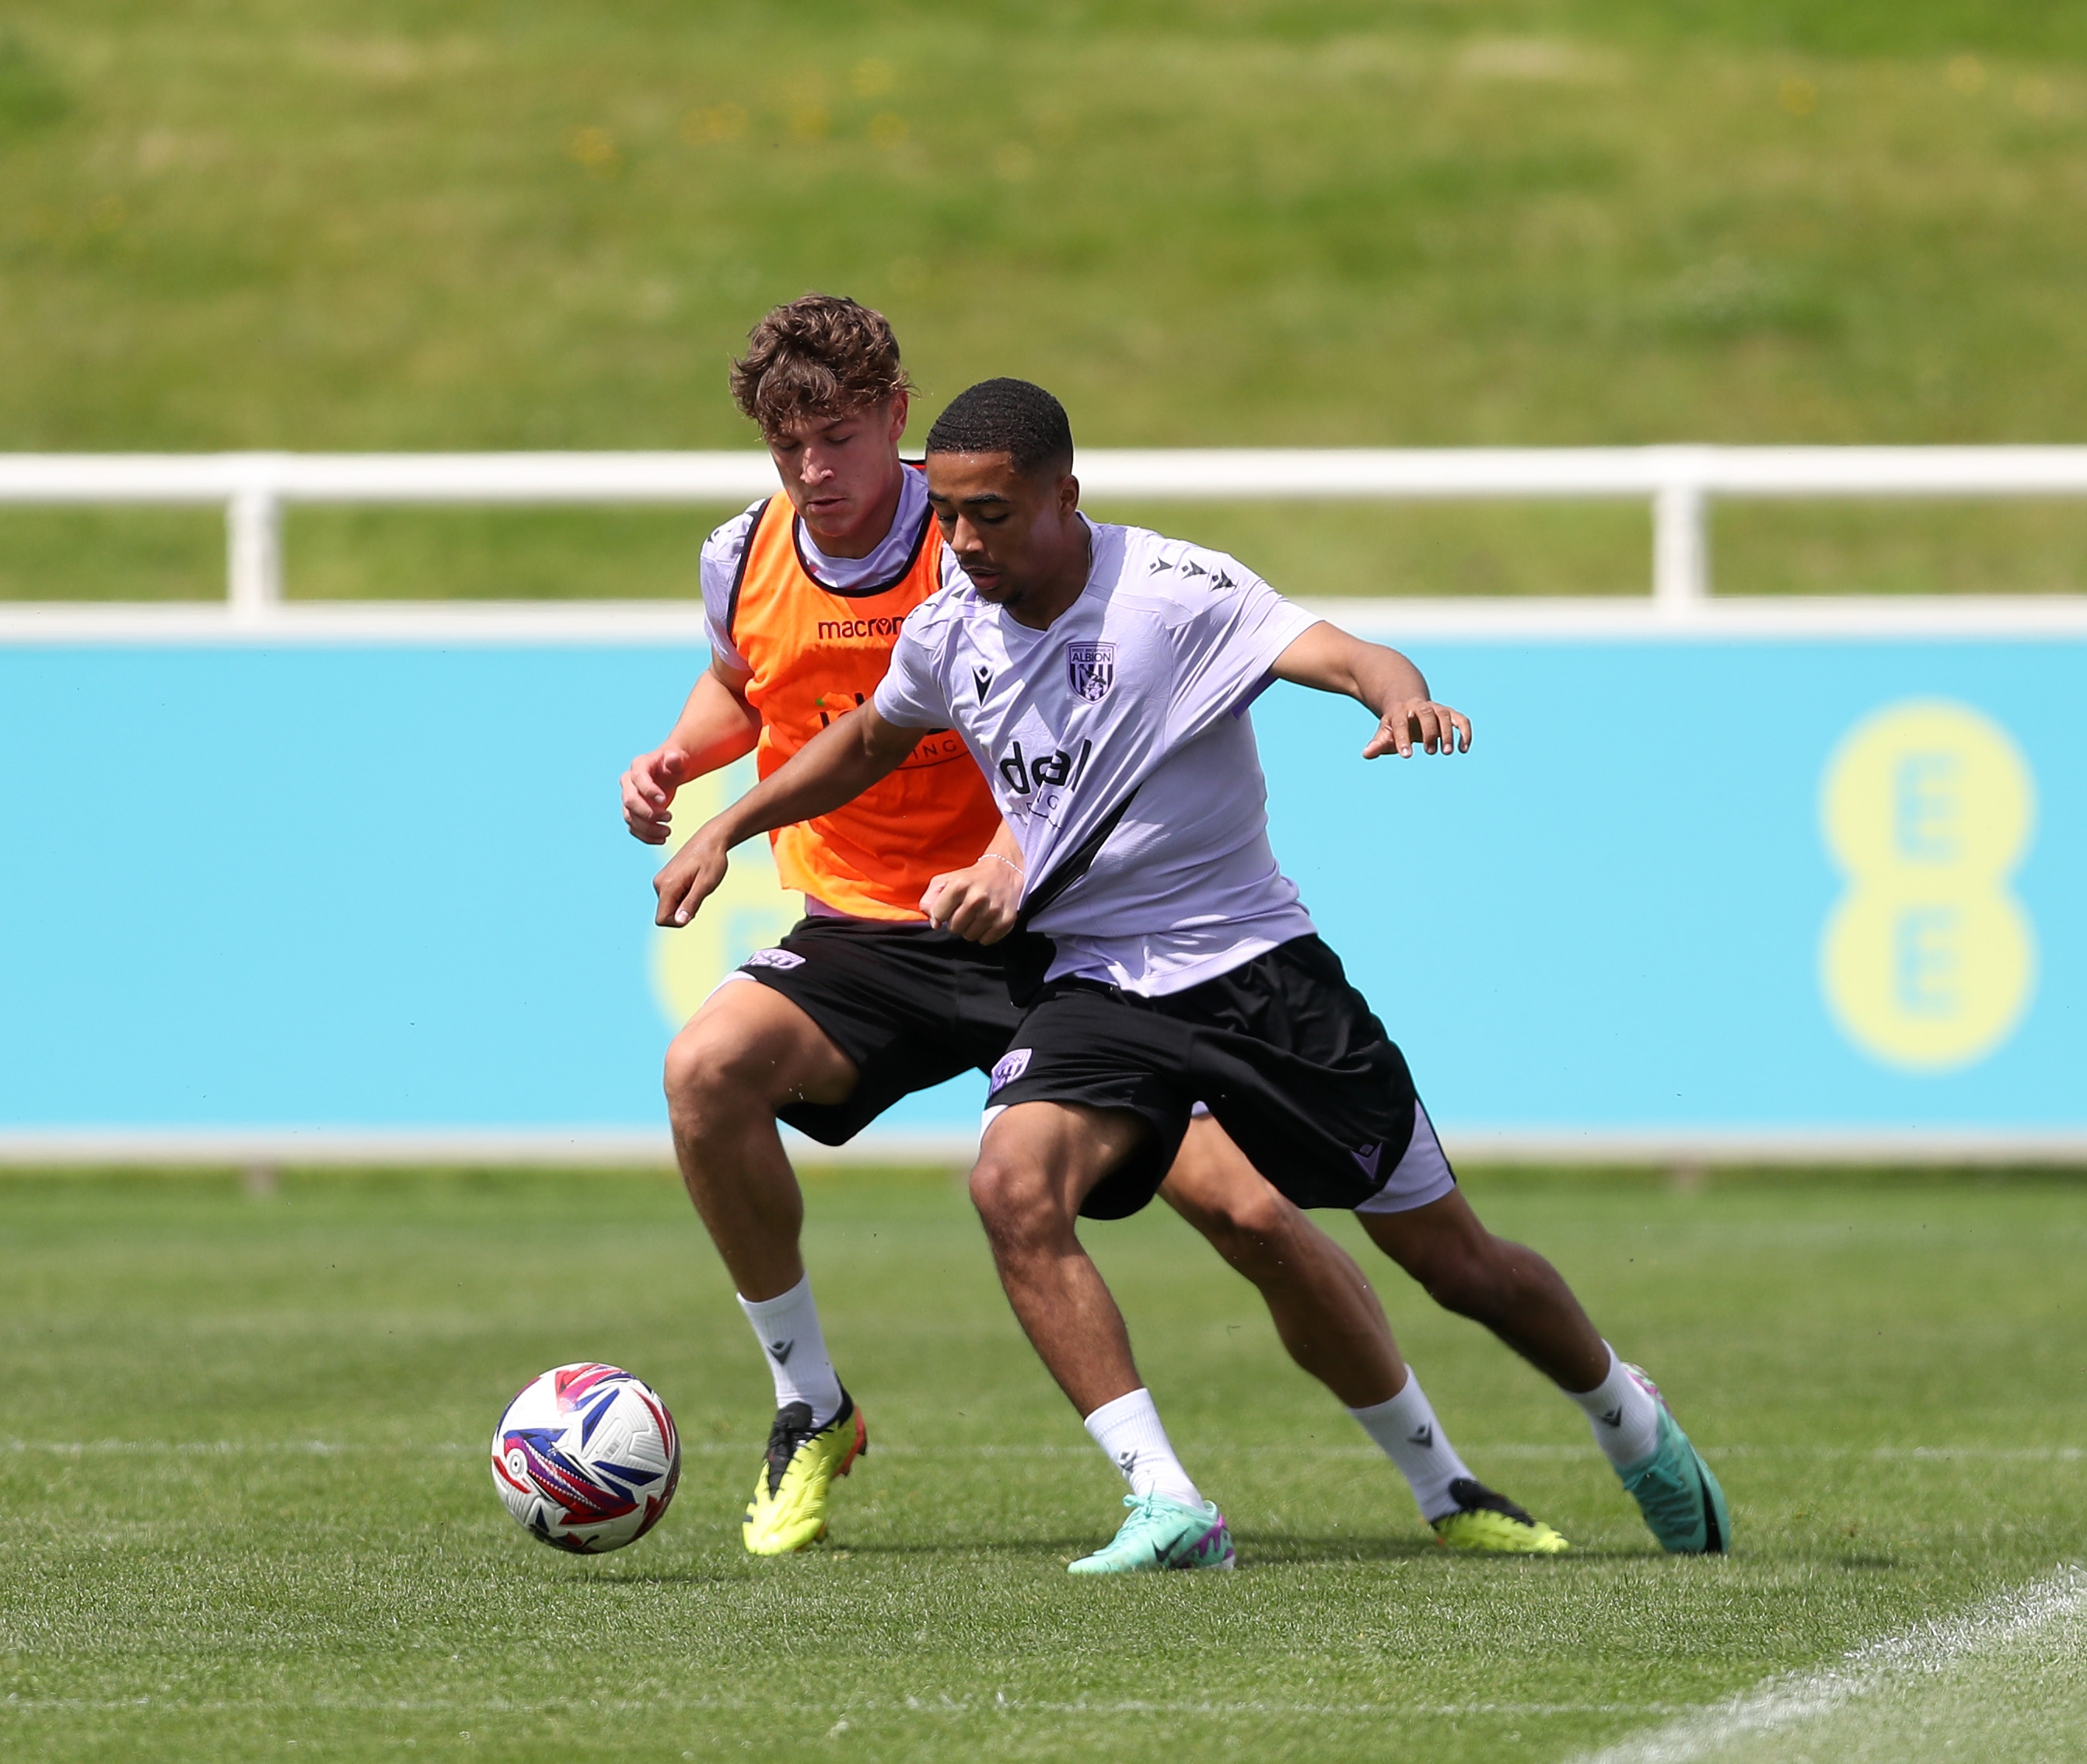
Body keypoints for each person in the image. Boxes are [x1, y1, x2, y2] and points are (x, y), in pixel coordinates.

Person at [654, 375, 1730, 1574]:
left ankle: (1627, 1422)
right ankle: (1166, 1500)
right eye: (949, 516)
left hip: (1262, 979)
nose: (964, 543)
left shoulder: (1174, 595)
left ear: (1067, 494)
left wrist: (1402, 693)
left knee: (1453, 1262)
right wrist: (727, 823)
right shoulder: (949, 625)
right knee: (1013, 1185)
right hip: (1100, 987)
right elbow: (865, 740)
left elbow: (1342, 651)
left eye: (993, 515)